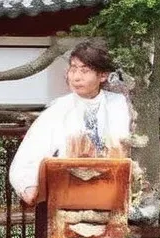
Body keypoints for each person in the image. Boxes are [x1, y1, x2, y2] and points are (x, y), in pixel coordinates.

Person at [8, 39, 132, 207]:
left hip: (109, 189)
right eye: (73, 69)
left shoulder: (118, 104)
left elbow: (127, 144)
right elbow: (34, 147)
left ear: (102, 75)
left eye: (85, 70)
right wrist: (27, 183)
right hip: (68, 190)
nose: (76, 77)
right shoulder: (60, 108)